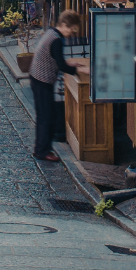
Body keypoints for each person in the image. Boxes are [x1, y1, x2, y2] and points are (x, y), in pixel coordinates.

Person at [29, 11, 83, 161]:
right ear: (64, 25)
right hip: (42, 80)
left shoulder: (52, 33)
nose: (72, 33)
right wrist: (80, 69)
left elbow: (57, 60)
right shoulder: (57, 41)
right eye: (72, 29)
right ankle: (42, 151)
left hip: (37, 77)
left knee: (45, 115)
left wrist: (71, 64)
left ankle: (41, 148)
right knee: (46, 117)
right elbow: (61, 66)